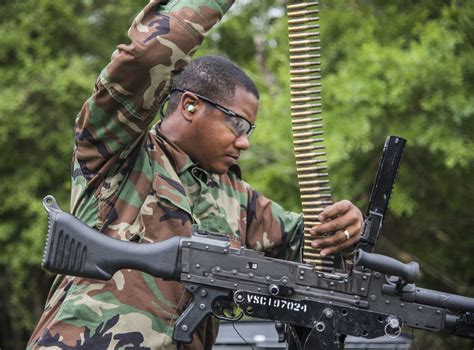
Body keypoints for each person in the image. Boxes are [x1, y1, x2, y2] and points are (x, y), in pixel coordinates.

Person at [28, 1, 363, 349]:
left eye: (250, 128)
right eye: (237, 123)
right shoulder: (118, 153)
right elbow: (146, 56)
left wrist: (348, 229)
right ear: (189, 106)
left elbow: (310, 246)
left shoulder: (236, 197)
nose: (245, 141)